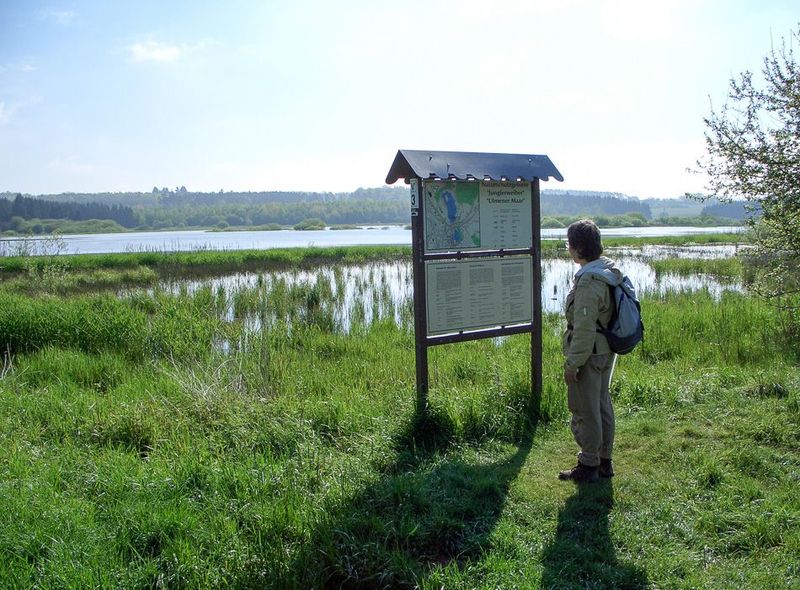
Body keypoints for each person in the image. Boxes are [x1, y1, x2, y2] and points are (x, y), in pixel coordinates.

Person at [559, 219, 622, 483]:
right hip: (606, 351)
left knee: (586, 408)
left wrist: (573, 364)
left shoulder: (588, 282)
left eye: (569, 244)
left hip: (590, 354)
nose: (568, 248)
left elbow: (583, 329)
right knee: (601, 404)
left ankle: (588, 464)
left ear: (578, 248)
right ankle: (604, 460)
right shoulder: (607, 270)